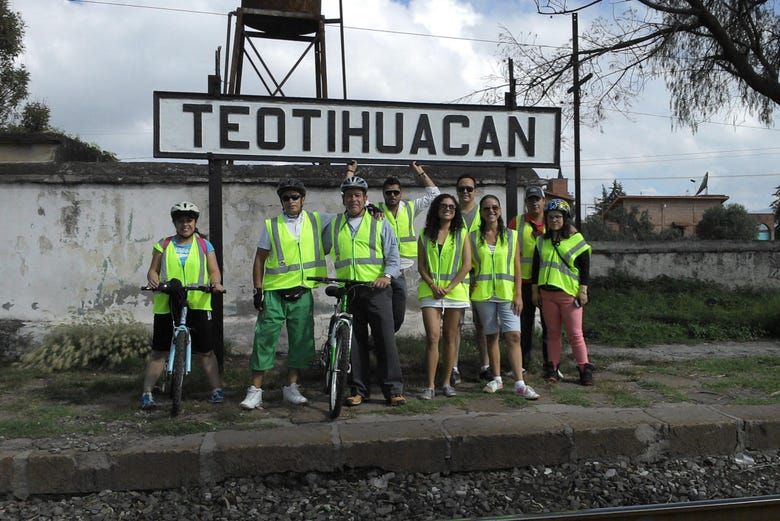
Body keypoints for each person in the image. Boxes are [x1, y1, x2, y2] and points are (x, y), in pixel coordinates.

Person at [240, 180, 328, 410]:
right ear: (281, 201)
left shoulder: (316, 220)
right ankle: (255, 391)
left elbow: (348, 216)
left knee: (300, 342)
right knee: (264, 341)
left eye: (295, 197)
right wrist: (257, 290)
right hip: (275, 294)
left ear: (303, 199)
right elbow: (259, 258)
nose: (291, 201)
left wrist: (369, 207)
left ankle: (291, 388)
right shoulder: (272, 225)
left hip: (302, 292)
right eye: (286, 198)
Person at [323, 170, 407, 407]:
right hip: (350, 291)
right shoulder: (334, 224)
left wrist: (387, 276)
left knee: (385, 341)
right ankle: (359, 389)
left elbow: (393, 256)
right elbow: (317, 244)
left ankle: (393, 389)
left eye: (358, 195)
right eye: (349, 195)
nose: (353, 200)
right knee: (354, 343)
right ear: (343, 199)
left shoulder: (379, 222)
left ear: (365, 198)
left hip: (376, 289)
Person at [140, 202, 226, 409]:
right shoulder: (164, 244)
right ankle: (146, 393)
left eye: (189, 220)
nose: (185, 224)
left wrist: (216, 284)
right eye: (180, 221)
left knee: (206, 350)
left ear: (195, 222)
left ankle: (216, 389)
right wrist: (153, 280)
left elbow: (214, 270)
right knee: (159, 351)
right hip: (167, 303)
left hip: (198, 301)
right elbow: (153, 270)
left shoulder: (205, 245)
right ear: (175, 223)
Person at [470, 195, 539, 399]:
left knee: (514, 335)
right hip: (483, 294)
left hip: (507, 293)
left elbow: (517, 268)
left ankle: (519, 382)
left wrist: (518, 294)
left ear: (500, 210)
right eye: (486, 208)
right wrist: (471, 278)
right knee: (491, 336)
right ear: (481, 212)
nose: (491, 211)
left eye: (494, 207)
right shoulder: (472, 237)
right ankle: (497, 378)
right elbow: (467, 264)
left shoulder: (511, 235)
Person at [531, 199, 595, 386]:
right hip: (547, 294)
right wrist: (535, 292)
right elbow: (536, 268)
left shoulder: (576, 240)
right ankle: (552, 368)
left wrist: (583, 290)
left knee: (575, 334)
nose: (554, 220)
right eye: (550, 217)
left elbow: (585, 268)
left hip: (569, 294)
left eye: (558, 217)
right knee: (552, 333)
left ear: (565, 219)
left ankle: (584, 368)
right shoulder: (541, 241)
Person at [417, 193, 472, 399]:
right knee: (433, 337)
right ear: (436, 209)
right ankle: (430, 385)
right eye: (443, 205)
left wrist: (448, 287)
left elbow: (467, 265)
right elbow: (421, 265)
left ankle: (447, 383)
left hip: (454, 292)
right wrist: (433, 284)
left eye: (451, 206)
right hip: (430, 291)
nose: (447, 209)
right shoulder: (424, 233)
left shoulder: (461, 233)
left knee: (450, 337)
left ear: (455, 211)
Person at [377, 161, 440, 332]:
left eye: (396, 192)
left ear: (400, 193)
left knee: (398, 314)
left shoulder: (410, 208)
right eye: (388, 192)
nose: (392, 195)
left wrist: (419, 171)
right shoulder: (376, 210)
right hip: (382, 268)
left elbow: (435, 194)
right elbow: (353, 198)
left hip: (405, 268)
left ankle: (382, 341)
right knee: (380, 312)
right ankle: (379, 343)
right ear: (383, 194)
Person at [451, 174, 489, 385]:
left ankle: (485, 366)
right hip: (457, 276)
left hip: (478, 275)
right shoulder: (451, 212)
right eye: (461, 188)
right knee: (455, 324)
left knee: (482, 323)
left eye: (469, 188)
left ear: (475, 190)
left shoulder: (482, 213)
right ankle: (453, 368)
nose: (465, 192)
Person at [508, 186, 549, 373]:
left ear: (544, 201)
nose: (535, 203)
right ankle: (522, 364)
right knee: (524, 325)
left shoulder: (553, 221)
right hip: (523, 282)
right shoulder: (516, 222)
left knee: (550, 326)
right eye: (531, 199)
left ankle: (551, 365)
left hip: (547, 281)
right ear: (526, 202)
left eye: (538, 199)